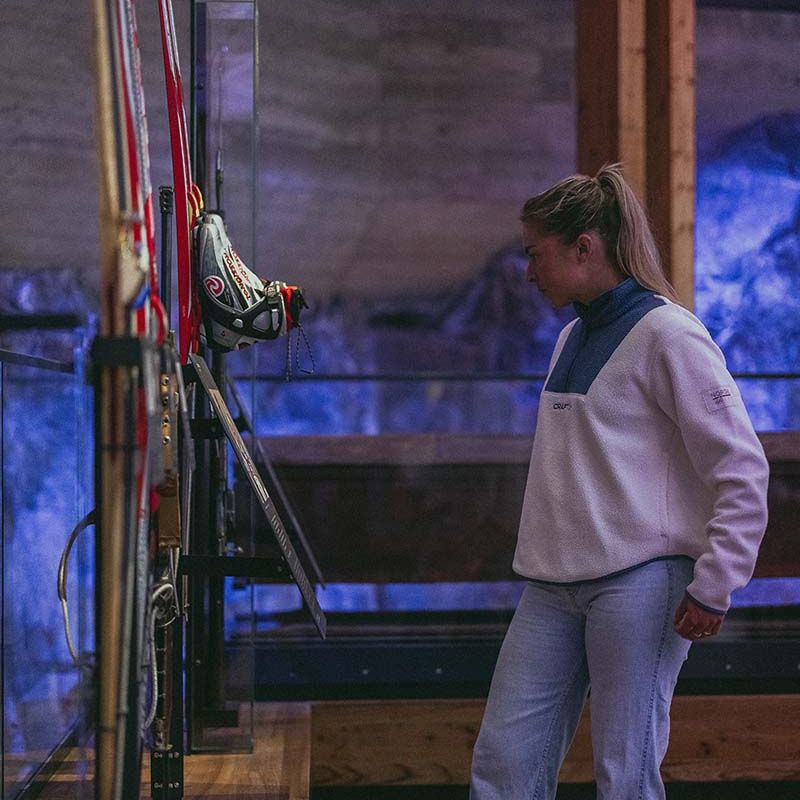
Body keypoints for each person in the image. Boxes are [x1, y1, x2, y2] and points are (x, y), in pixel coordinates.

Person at [469, 164, 769, 800]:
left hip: (640, 583)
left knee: (625, 776)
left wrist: (716, 584)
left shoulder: (671, 336)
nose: (527, 272)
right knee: (502, 767)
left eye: (535, 255)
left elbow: (740, 467)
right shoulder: (572, 334)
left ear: (584, 248)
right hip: (551, 585)